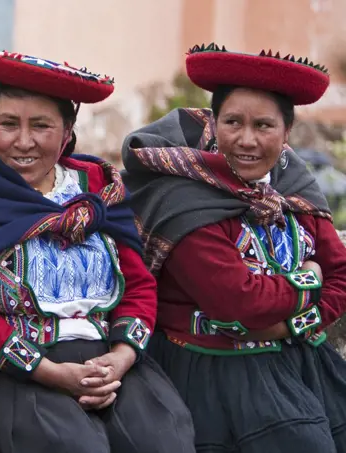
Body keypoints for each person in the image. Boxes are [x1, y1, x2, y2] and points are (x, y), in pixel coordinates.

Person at [0, 43, 196, 453]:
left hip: (101, 359)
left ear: (68, 133)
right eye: (9, 124)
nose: (23, 141)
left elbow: (138, 285)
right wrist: (48, 372)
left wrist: (121, 357)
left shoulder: (95, 191)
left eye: (41, 126)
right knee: (74, 446)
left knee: (161, 438)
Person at [121, 42, 346, 452]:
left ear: (286, 133)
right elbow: (240, 302)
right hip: (216, 373)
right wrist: (308, 279)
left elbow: (342, 274)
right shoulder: (184, 198)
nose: (246, 140)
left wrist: (290, 325)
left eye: (263, 125)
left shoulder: (293, 189)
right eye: (233, 122)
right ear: (213, 123)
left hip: (301, 360)